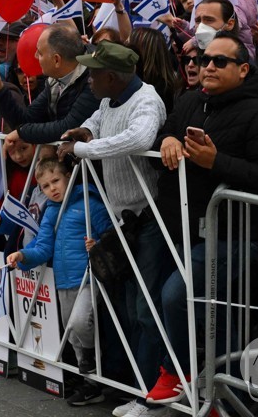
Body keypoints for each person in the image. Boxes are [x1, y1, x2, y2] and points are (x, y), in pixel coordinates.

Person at [147, 32, 258, 407]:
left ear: (243, 69)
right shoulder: (192, 100)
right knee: (217, 315)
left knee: (178, 294)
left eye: (218, 61)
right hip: (188, 229)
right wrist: (167, 141)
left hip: (237, 235)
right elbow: (168, 130)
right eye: (205, 58)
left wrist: (216, 162)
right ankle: (221, 393)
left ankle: (178, 370)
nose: (207, 65)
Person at [56, 41, 168, 409]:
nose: (87, 79)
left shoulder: (146, 101)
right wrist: (83, 133)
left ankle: (151, 394)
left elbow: (139, 138)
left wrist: (85, 150)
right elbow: (96, 123)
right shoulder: (109, 101)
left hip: (148, 219)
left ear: (113, 77)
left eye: (93, 73)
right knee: (122, 307)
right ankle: (129, 383)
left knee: (145, 307)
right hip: (121, 219)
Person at [2, 157, 112, 407]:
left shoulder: (89, 202)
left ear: (69, 177)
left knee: (80, 323)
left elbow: (110, 232)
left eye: (56, 181)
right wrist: (22, 255)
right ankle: (92, 385)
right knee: (72, 334)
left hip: (88, 277)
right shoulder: (51, 211)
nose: (52, 189)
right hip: (63, 281)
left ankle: (95, 366)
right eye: (45, 186)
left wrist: (99, 246)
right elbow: (43, 247)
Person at [0, 22, 99, 148]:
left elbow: (68, 127)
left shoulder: (95, 78)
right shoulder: (54, 80)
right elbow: (25, 120)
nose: (35, 57)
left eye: (40, 53)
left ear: (56, 60)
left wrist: (23, 132)